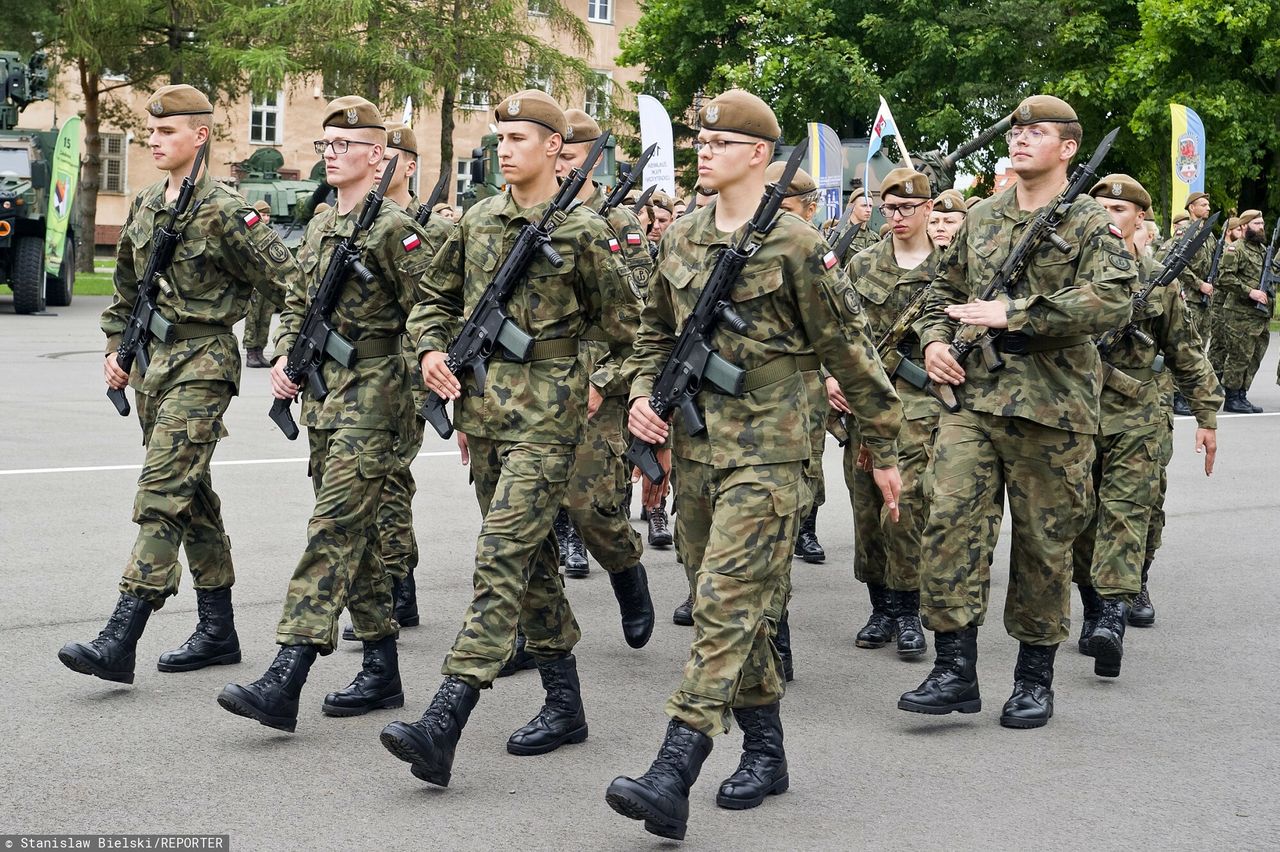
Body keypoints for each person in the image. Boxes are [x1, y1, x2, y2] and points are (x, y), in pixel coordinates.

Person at [605, 89, 904, 841]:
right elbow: (650, 337)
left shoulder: (797, 244)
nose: (705, 150)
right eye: (701, 140)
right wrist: (644, 395)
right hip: (701, 446)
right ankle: (766, 752)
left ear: (760, 158)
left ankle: (674, 767)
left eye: (722, 142)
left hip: (773, 446)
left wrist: (887, 445)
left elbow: (850, 353)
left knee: (729, 603)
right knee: (728, 606)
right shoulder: (680, 239)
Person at [379, 90, 627, 787]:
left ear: (555, 146)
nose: (506, 148)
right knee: (531, 564)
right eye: (501, 137)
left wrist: (596, 380)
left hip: (551, 422)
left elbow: (632, 329)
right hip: (485, 419)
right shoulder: (478, 221)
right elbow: (432, 299)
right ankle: (565, 704)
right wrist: (430, 349)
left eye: (520, 137)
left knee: (498, 557)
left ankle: (444, 718)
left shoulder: (582, 230)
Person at [903, 95, 1133, 729]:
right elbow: (939, 293)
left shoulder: (1090, 221)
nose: (1022, 138)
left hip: (1052, 409)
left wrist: (1018, 313)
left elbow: (1113, 299)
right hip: (973, 400)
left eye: (1039, 132)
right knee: (948, 521)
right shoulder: (981, 217)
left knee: (1043, 544)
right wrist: (934, 342)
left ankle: (1034, 677)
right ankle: (954, 668)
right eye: (1018, 129)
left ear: (1068, 149)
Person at [59, 84, 300, 686]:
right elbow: (124, 293)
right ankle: (218, 628)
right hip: (153, 364)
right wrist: (118, 348)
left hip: (203, 363)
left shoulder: (227, 210)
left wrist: (281, 348)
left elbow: (291, 284)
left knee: (162, 492)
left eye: (167, 132)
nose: (153, 139)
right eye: (152, 130)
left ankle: (122, 634)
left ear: (200, 136)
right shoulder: (144, 203)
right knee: (191, 495)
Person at [216, 96, 432, 732]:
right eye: (327, 146)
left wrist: (427, 386)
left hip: (377, 397)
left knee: (331, 529)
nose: (333, 155)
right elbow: (297, 302)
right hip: (325, 399)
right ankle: (382, 667)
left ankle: (288, 671)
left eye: (346, 146)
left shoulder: (396, 229)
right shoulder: (318, 226)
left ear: (378, 155)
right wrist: (286, 356)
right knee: (358, 538)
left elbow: (432, 312)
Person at [1071, 174, 1220, 677]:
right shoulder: (1065, 277)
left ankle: (1111, 616)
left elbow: (1187, 354)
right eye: (1099, 210)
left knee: (1127, 510)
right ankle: (1093, 604)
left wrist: (1207, 415)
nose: (1108, 219)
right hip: (1072, 413)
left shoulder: (1161, 282)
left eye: (1118, 211)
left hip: (1137, 413)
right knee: (1079, 517)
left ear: (1139, 219)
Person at [339, 122, 453, 642]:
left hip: (410, 372)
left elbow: (438, 303)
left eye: (395, 159)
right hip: (361, 376)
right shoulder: (348, 220)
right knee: (381, 481)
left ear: (406, 164)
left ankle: (396, 577)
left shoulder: (426, 227)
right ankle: (389, 581)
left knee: (390, 478)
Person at [546, 107, 654, 643]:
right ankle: (531, 627)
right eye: (556, 155)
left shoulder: (617, 224)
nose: (561, 167)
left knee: (593, 510)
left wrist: (603, 381)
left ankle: (627, 573)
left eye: (569, 157)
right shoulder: (536, 216)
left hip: (596, 391)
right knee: (525, 516)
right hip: (534, 389)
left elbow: (638, 325)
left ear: (591, 161)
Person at [834, 166, 939, 660]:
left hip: (923, 403)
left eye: (906, 208)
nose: (895, 217)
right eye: (888, 208)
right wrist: (830, 376)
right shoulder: (862, 264)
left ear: (928, 209)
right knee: (866, 509)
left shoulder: (948, 267)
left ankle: (908, 608)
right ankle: (879, 605)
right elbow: (836, 329)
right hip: (866, 402)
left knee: (907, 505)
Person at [1220, 211, 1275, 413]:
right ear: (1244, 226)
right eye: (1256, 223)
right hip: (1239, 314)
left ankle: (1242, 394)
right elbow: (1224, 278)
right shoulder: (1236, 249)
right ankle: (1232, 398)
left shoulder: (1262, 250)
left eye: (1262, 222)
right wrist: (1249, 291)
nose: (1261, 226)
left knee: (1254, 357)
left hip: (1261, 315)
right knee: (1238, 357)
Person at [243, 199, 280, 367]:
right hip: (255, 282)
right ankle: (251, 351)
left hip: (269, 281)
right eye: (262, 214)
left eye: (268, 215)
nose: (266, 218)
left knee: (265, 317)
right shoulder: (249, 231)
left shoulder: (270, 234)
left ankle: (260, 350)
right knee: (253, 317)